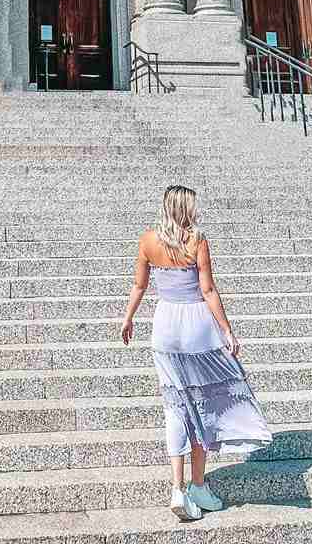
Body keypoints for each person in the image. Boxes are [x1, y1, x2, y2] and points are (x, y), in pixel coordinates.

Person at [120, 185, 271, 522]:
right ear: (187, 208)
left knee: (175, 406)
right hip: (196, 326)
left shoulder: (148, 241)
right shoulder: (196, 241)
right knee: (201, 403)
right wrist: (228, 329)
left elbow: (140, 285)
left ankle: (179, 487)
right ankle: (198, 483)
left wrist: (128, 317)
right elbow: (208, 289)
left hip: (165, 327)